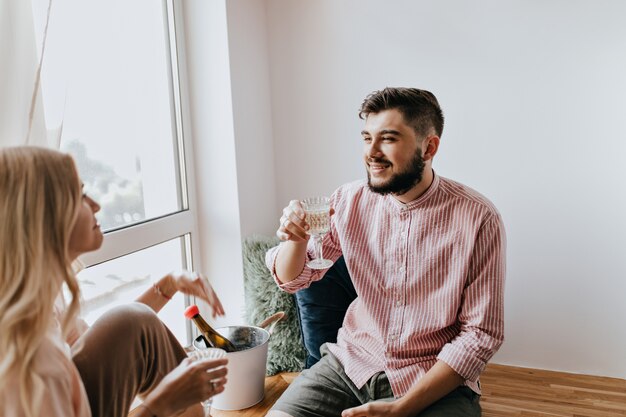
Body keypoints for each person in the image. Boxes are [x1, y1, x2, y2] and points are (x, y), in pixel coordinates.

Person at [265, 87, 506, 417]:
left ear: (429, 147)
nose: (371, 152)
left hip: (433, 377)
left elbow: (480, 335)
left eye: (388, 139)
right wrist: (295, 240)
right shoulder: (347, 201)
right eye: (367, 138)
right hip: (351, 364)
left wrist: (403, 408)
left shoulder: (479, 217)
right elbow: (295, 279)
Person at [0, 146, 228, 417]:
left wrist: (169, 285)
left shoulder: (43, 302)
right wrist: (162, 404)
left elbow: (119, 339)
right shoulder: (34, 361)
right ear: (46, 218)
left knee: (133, 319)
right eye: (80, 195)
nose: (96, 205)